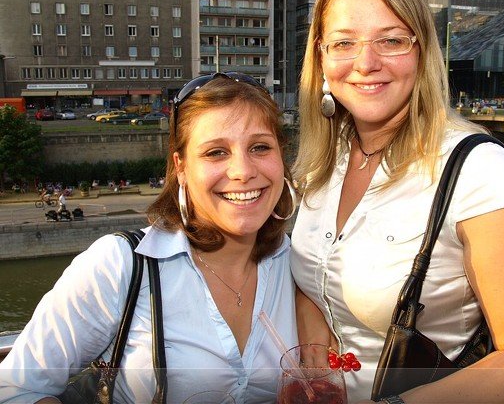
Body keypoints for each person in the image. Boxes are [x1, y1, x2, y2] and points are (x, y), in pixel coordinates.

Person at [291, 0, 504, 404]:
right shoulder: (324, 162)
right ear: (321, 58)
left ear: (421, 51)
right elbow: (316, 271)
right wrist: (312, 332)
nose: (366, 63)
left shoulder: (478, 170)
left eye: (391, 40)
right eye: (344, 43)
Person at [0, 73, 298, 403]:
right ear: (181, 167)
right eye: (216, 152)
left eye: (260, 147)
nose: (243, 171)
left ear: (281, 157)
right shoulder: (119, 265)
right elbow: (15, 389)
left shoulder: (300, 267)